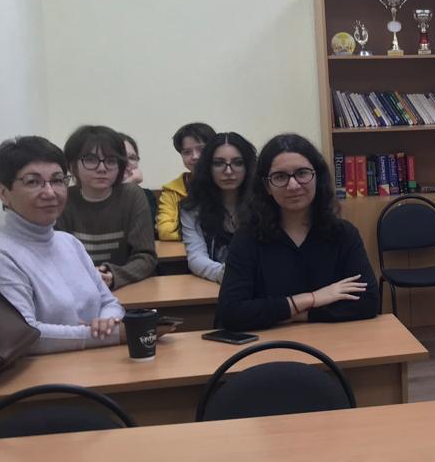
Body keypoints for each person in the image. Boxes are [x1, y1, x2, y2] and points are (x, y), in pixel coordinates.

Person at [215, 133, 379, 331]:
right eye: (280, 177)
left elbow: (368, 302)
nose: (293, 185)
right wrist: (312, 298)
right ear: (267, 186)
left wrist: (298, 314)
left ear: (317, 177)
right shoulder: (247, 238)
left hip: (334, 341)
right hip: (271, 345)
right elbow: (231, 312)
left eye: (302, 173)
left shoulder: (343, 234)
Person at [0, 136, 124, 353]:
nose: (49, 192)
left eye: (57, 180)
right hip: (47, 372)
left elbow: (109, 303)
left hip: (97, 361)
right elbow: (24, 334)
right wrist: (109, 335)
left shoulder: (69, 242)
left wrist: (107, 321)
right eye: (33, 182)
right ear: (3, 193)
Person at [56, 124, 157, 289]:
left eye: (111, 161)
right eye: (90, 160)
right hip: (76, 289)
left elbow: (146, 256)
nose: (102, 168)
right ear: (73, 165)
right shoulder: (63, 199)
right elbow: (57, 258)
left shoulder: (132, 195)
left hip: (126, 288)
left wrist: (113, 275)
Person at [180, 132, 256, 283]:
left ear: (248, 166)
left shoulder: (263, 203)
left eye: (238, 163)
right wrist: (227, 274)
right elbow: (196, 258)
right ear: (207, 168)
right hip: (216, 283)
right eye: (218, 163)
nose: (228, 171)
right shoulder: (192, 208)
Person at [157, 121, 216, 241]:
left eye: (201, 149)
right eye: (187, 152)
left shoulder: (226, 182)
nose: (195, 156)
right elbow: (165, 231)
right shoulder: (172, 190)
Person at [118, 131, 158, 226]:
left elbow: (141, 226)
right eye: (120, 157)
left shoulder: (146, 195)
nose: (126, 162)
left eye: (132, 158)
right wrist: (130, 182)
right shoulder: (95, 194)